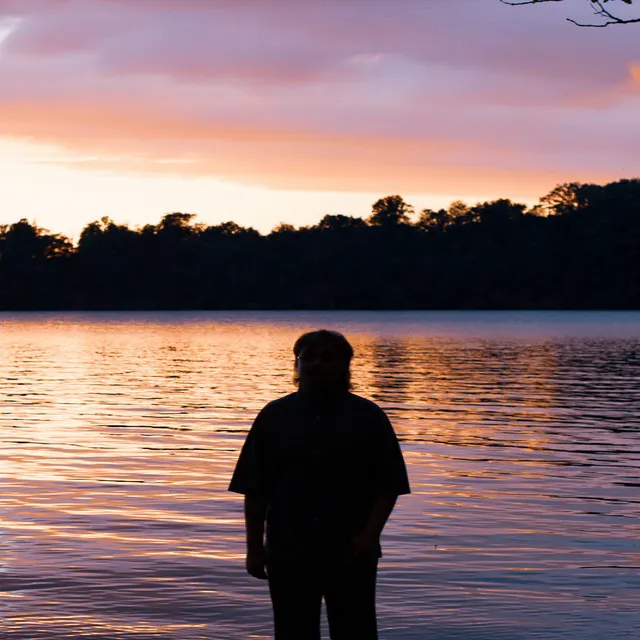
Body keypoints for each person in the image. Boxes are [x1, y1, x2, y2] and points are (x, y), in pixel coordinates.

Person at [229, 329, 410, 640]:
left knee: (356, 631)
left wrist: (369, 537)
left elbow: (388, 485)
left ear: (344, 365)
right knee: (292, 632)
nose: (316, 364)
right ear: (296, 365)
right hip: (289, 549)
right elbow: (254, 489)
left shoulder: (368, 416)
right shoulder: (275, 416)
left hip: (351, 548)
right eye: (307, 358)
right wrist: (253, 549)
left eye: (327, 357)